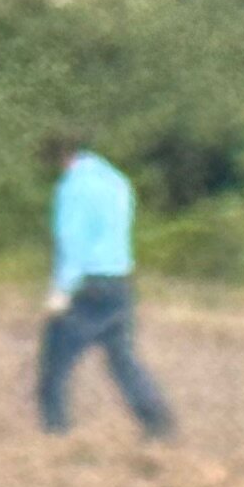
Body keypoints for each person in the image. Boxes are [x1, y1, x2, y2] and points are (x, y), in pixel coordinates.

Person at [38, 131, 173, 442]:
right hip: (121, 282)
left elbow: (73, 243)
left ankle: (55, 434)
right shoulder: (117, 181)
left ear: (62, 156)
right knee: (122, 359)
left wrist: (60, 290)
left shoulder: (73, 188)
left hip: (88, 286)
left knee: (54, 364)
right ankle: (158, 423)